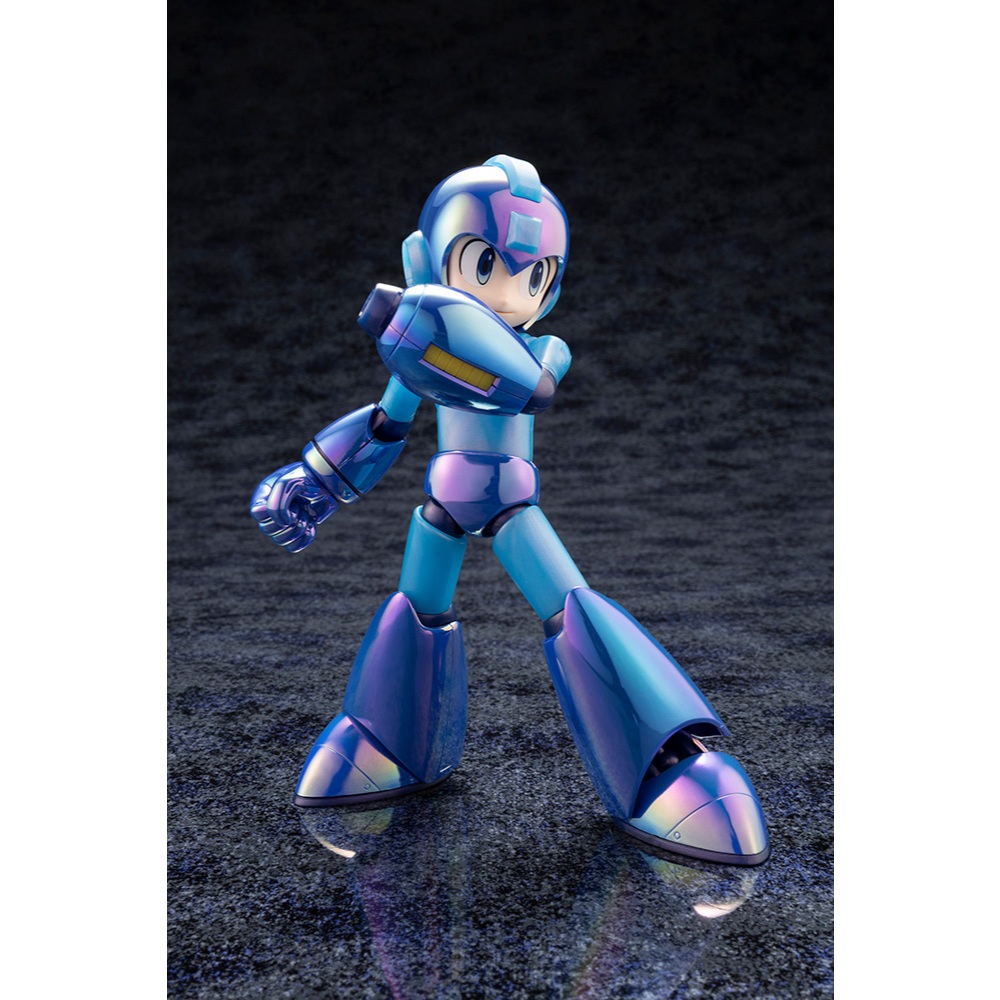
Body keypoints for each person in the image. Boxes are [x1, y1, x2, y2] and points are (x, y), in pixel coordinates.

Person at [250, 155, 770, 865]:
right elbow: (384, 427)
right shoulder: (419, 344)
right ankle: (386, 736)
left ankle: (662, 756)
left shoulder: (536, 349)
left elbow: (529, 386)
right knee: (417, 610)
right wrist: (313, 478)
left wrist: (437, 334)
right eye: (485, 264)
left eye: (534, 276)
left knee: (571, 608)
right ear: (423, 259)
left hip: (512, 511)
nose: (509, 291)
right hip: (441, 504)